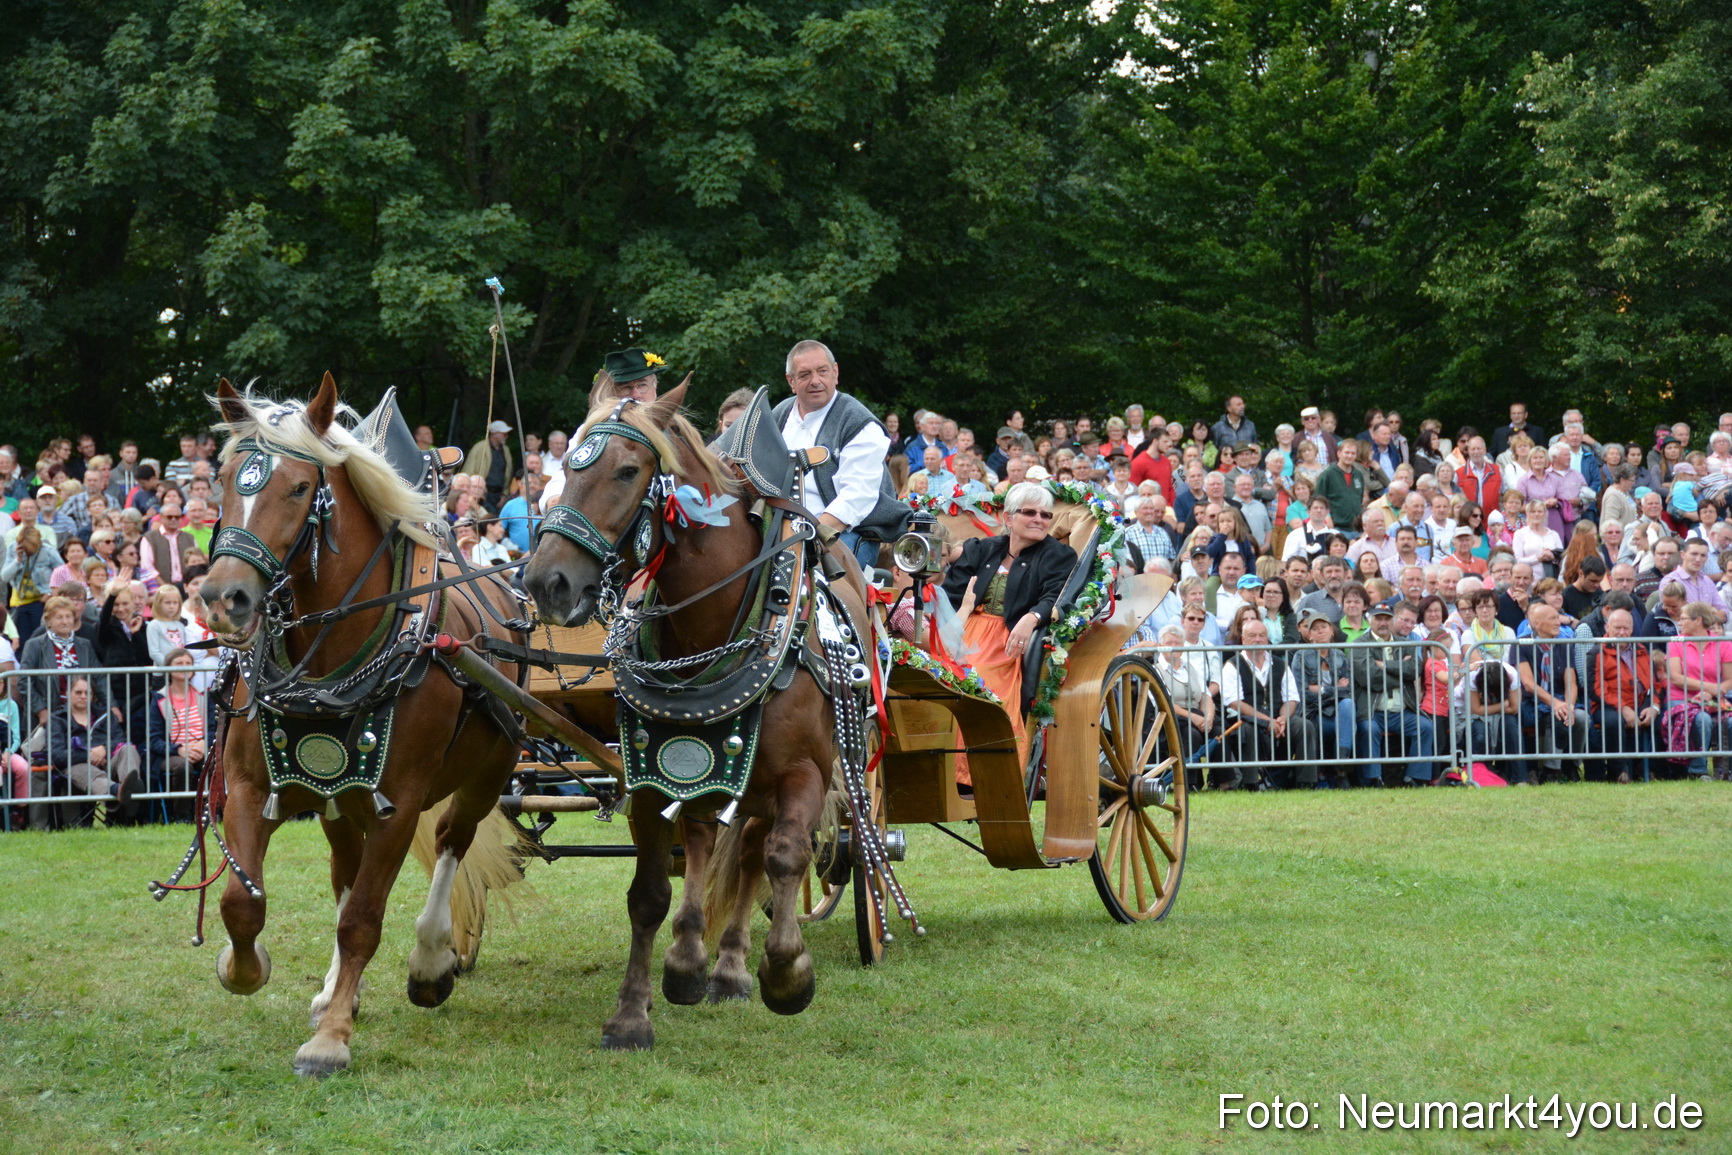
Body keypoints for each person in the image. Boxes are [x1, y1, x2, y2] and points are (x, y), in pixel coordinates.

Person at [941, 483, 1073, 762]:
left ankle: (972, 768)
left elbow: (1056, 596)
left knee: (978, 678)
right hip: (962, 630)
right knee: (932, 673)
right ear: (1008, 518)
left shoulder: (1057, 555)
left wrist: (1031, 617)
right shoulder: (983, 549)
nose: (1039, 519)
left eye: (1046, 515)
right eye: (1030, 512)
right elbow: (950, 595)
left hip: (1009, 640)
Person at [774, 340, 909, 569]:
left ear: (835, 372)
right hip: (780, 529)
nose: (815, 381)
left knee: (811, 586)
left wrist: (806, 538)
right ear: (792, 382)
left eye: (822, 371)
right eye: (805, 374)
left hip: (847, 532)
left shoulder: (858, 422)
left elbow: (855, 497)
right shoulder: (779, 414)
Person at [1350, 598, 1435, 785]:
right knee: (1368, 729)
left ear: (1393, 620)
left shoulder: (1405, 643)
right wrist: (1399, 671)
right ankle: (1373, 779)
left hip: (1403, 711)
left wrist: (1383, 665)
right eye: (1378, 618)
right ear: (1369, 619)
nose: (1382, 622)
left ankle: (1415, 778)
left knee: (1425, 727)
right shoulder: (1359, 644)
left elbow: (1414, 669)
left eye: (1387, 618)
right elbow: (1368, 677)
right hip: (1373, 712)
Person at [1222, 617, 1313, 788]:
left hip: (1278, 716)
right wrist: (1267, 721)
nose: (1257, 639)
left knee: (1303, 726)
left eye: (1262, 635)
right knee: (1249, 729)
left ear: (1267, 638)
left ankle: (1305, 781)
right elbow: (1234, 702)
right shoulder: (1232, 665)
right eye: (1252, 635)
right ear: (1243, 639)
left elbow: (1291, 698)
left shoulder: (1280, 664)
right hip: (1246, 718)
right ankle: (1251, 782)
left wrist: (1283, 719)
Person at [41, 676, 141, 828]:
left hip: (108, 762)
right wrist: (88, 755)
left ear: (93, 696)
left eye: (88, 693)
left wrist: (104, 749)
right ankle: (120, 790)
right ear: (68, 693)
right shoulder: (57, 719)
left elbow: (120, 739)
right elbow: (56, 755)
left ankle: (129, 787)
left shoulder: (105, 715)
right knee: (89, 772)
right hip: (76, 766)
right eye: (78, 692)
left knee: (127, 749)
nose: (83, 696)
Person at [1514, 602, 1590, 782]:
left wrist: (1569, 706)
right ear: (1537, 623)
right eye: (1552, 619)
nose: (1558, 622)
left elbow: (1571, 682)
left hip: (1560, 700)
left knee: (1581, 717)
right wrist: (1555, 704)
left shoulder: (1564, 645)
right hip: (1531, 703)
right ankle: (1551, 771)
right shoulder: (1522, 645)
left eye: (1558, 618)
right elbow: (1528, 684)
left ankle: (1572, 765)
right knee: (1556, 716)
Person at [1663, 601, 1732, 779]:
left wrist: (1713, 692)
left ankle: (1726, 770)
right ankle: (1698, 770)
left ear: (1698, 620)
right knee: (1702, 719)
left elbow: (1729, 679)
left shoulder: (1722, 643)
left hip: (1712, 699)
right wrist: (1708, 687)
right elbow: (1676, 677)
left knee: (1730, 722)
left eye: (1683, 618)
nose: (1679, 622)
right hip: (1680, 697)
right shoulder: (1676, 642)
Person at [1589, 607, 1659, 783]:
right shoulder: (1597, 652)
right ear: (1607, 628)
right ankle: (1619, 772)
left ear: (1633, 628)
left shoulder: (1642, 650)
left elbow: (1656, 684)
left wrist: (1654, 707)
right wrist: (1623, 708)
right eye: (1617, 628)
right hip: (1607, 705)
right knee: (1613, 721)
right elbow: (1596, 689)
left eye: (1626, 628)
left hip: (1640, 702)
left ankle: (1657, 770)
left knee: (1663, 717)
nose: (1622, 632)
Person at [1146, 623, 1216, 789]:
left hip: (1196, 714)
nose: (1173, 647)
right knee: (1192, 734)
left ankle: (1225, 781)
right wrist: (1194, 717)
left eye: (1178, 643)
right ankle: (1187, 783)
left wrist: (1209, 717)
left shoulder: (1190, 668)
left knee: (1219, 732)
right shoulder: (1155, 671)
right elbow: (1164, 702)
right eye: (1169, 643)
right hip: (1168, 717)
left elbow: (1206, 696)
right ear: (1161, 646)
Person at [1292, 607, 1356, 784]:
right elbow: (1302, 693)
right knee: (1344, 720)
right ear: (1309, 635)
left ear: (1331, 630)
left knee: (1348, 705)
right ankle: (1331, 774)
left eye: (1324, 627)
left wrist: (1320, 689)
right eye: (1315, 628)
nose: (1320, 631)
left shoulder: (1340, 655)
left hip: (1337, 711)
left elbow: (1348, 690)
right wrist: (1333, 689)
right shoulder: (1300, 656)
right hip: (1313, 712)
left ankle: (1341, 765)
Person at [3, 525, 61, 641]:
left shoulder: (47, 551)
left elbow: (62, 573)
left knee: (38, 637)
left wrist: (50, 593)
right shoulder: (13, 549)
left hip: (41, 601)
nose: (29, 552)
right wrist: (17, 560)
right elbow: (4, 577)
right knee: (21, 640)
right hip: (19, 601)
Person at [1662, 538, 1728, 615]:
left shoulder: (1707, 581)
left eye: (1703, 555)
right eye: (1694, 554)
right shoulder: (1670, 581)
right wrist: (1710, 612)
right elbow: (1676, 613)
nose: (1698, 559)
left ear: (1706, 558)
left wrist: (1712, 616)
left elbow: (1723, 610)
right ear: (1683, 555)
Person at [1315, 438, 1368, 531]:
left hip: (1356, 528)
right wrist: (1327, 518)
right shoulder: (1328, 474)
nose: (1349, 456)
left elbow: (1360, 500)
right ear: (1339, 453)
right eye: (1347, 452)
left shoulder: (1358, 475)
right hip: (1336, 527)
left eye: (1353, 453)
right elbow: (1318, 500)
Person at [463, 419, 515, 512]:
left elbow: (507, 474)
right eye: (504, 434)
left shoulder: (506, 450)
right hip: (482, 494)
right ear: (495, 434)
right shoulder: (479, 448)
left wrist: (504, 495)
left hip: (499, 496)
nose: (506, 436)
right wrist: (475, 492)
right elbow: (469, 470)